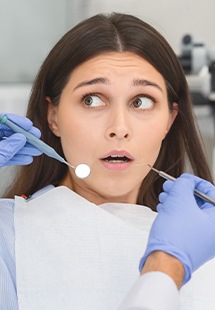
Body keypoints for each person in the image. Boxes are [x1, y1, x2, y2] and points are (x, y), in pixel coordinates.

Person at [0, 12, 215, 309]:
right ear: (53, 116)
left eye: (141, 101)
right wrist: (168, 266)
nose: (119, 128)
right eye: (92, 99)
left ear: (170, 118)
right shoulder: (7, 236)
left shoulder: (205, 240)